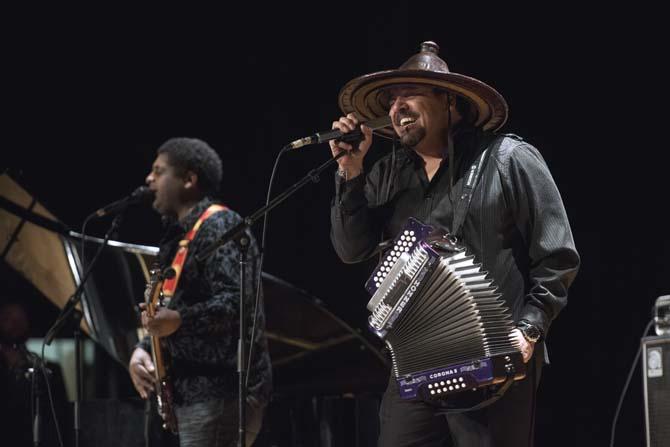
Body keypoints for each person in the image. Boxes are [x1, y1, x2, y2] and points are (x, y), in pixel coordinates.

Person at [329, 41, 580, 447]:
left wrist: (529, 331)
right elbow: (350, 249)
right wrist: (350, 172)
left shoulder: (508, 159)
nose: (397, 107)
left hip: (496, 363)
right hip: (414, 364)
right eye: (392, 99)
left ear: (450, 102)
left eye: (410, 94)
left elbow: (557, 256)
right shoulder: (387, 175)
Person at [128, 137, 272, 447]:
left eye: (159, 171)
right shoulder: (177, 236)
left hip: (218, 391)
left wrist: (180, 320)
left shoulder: (220, 225)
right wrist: (142, 347)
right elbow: (169, 306)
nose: (149, 179)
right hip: (187, 392)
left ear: (189, 179)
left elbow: (239, 303)